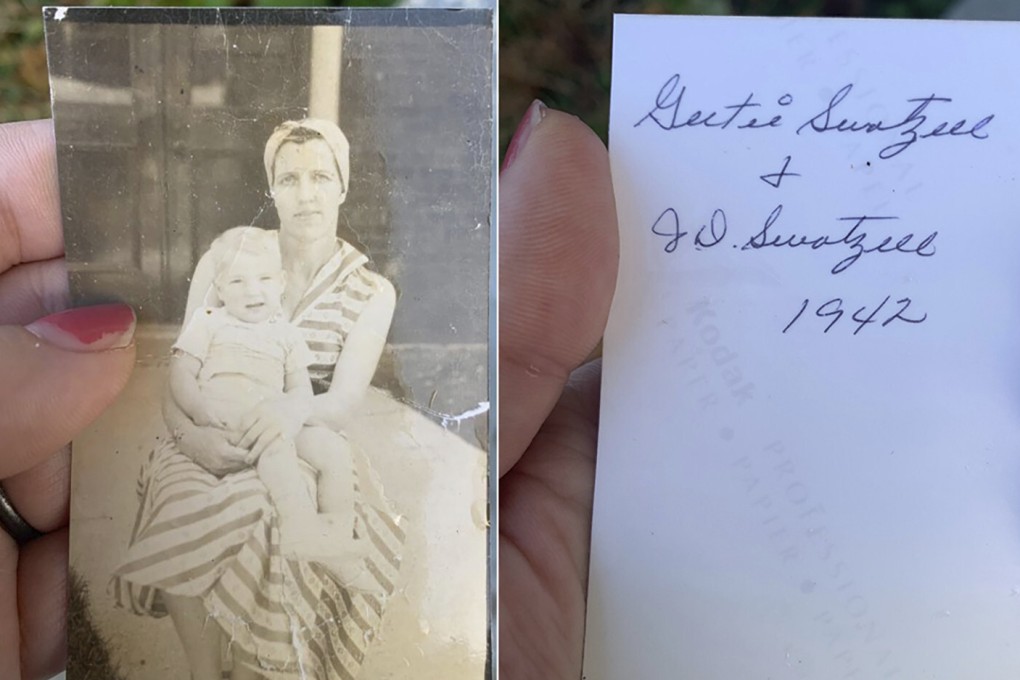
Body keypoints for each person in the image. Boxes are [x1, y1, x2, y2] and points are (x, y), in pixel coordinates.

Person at [0, 102, 615, 680]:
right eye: (290, 179)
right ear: (271, 187)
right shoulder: (228, 258)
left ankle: (262, 662)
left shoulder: (371, 291)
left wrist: (287, 417)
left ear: (343, 186)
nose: (306, 194)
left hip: (310, 434)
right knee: (183, 492)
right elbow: (183, 369)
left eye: (321, 177)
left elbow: (342, 401)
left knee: (300, 511)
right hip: (211, 428)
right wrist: (194, 438)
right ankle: (201, 668)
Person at [168, 225, 374, 583]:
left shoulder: (287, 334)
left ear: (280, 283)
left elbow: (300, 393)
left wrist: (290, 416)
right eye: (237, 282)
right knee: (277, 454)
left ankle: (337, 537)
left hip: (273, 418)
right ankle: (300, 532)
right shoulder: (210, 321)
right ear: (218, 290)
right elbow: (180, 373)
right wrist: (199, 411)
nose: (253, 291)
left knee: (333, 449)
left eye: (264, 278)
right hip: (225, 415)